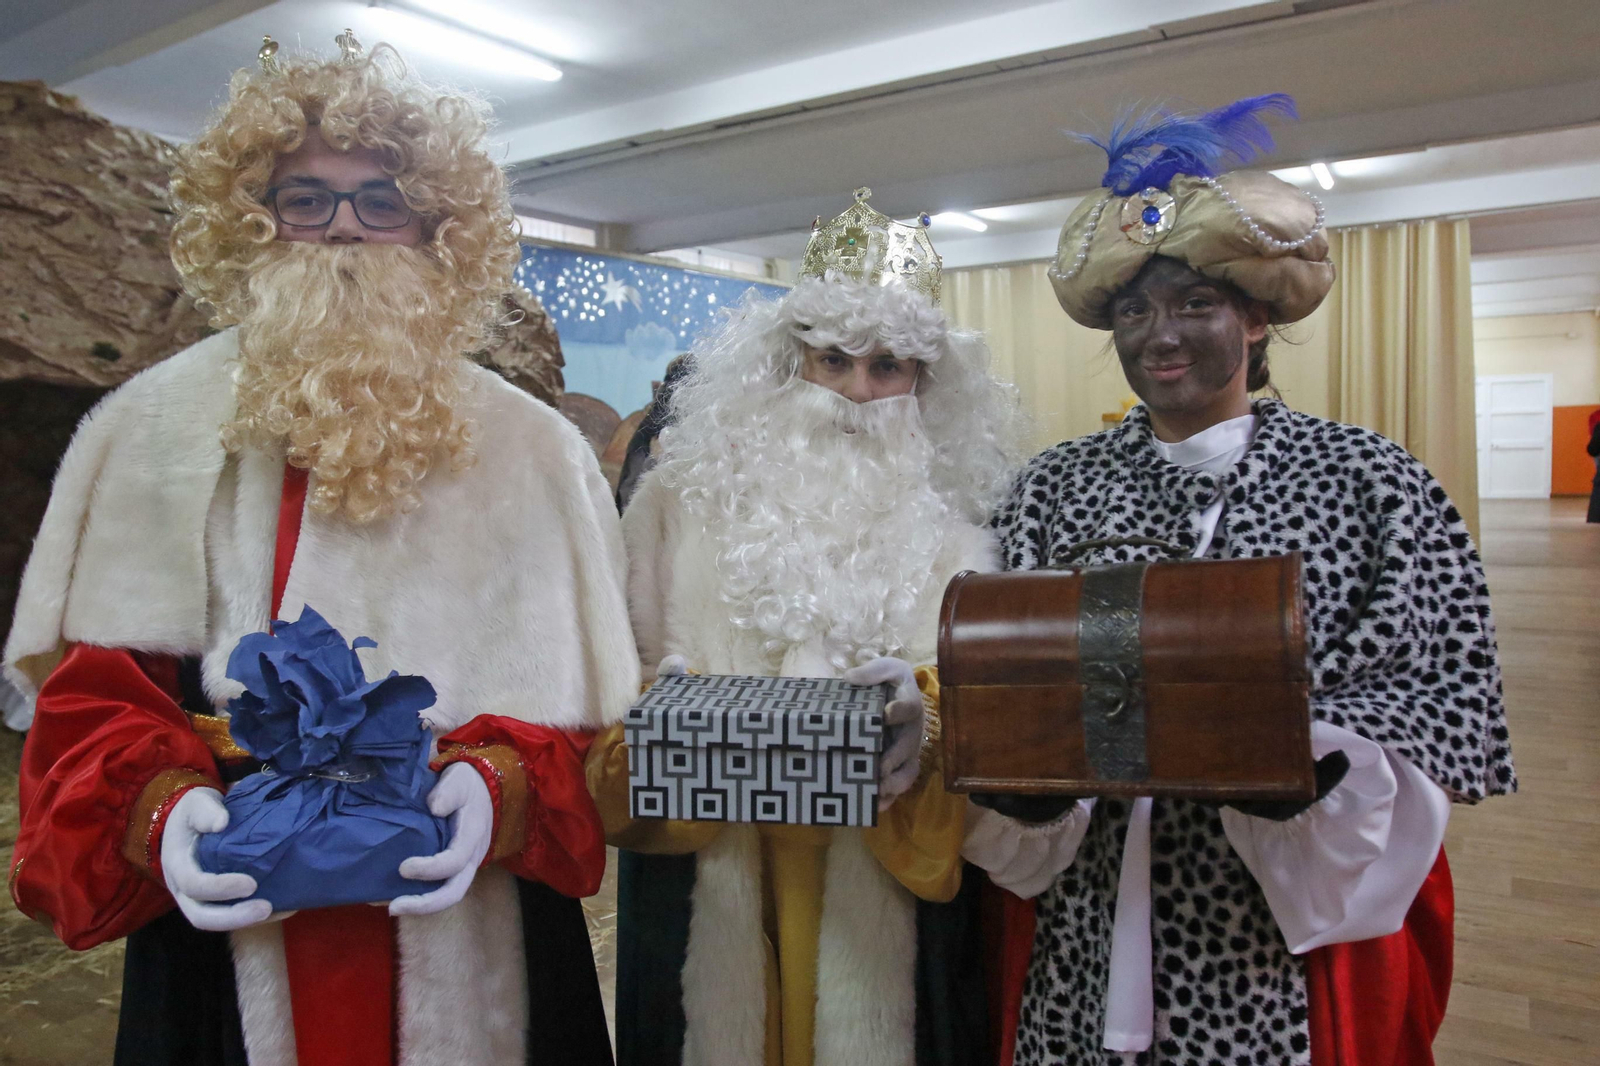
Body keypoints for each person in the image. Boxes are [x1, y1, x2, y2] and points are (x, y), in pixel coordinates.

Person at [4, 35, 635, 1066]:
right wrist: (162, 814)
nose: (344, 227)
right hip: (229, 924)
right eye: (307, 197)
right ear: (254, 221)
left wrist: (500, 789)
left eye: (380, 199)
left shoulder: (538, 451)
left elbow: (594, 732)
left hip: (478, 921)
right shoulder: (148, 429)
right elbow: (89, 704)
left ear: (436, 229)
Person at [963, 96, 1515, 1066]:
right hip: (1089, 920)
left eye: (1191, 304)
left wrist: (1311, 773)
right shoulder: (1050, 488)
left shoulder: (1370, 483)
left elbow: (1440, 708)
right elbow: (1010, 688)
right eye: (1133, 310)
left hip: (1269, 948)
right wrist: (1021, 793)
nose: (1158, 335)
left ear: (1255, 319)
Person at [587, 187, 1025, 1066]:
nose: (858, 392)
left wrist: (930, 713)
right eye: (834, 361)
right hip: (705, 867)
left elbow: (990, 736)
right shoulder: (673, 508)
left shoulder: (956, 543)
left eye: (889, 367)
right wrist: (656, 720)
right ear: (790, 367)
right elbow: (603, 687)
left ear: (924, 386)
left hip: (880, 871)